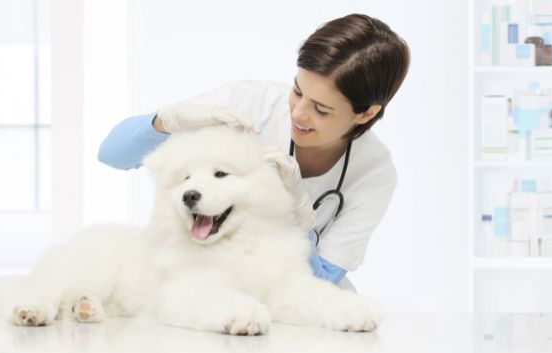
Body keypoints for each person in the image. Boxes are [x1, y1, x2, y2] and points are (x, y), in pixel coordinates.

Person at [96, 13, 410, 290]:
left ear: (366, 113)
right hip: (207, 282)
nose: (298, 114)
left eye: (321, 109)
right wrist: (166, 120)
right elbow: (112, 154)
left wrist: (300, 214)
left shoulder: (374, 172)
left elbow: (323, 278)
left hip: (291, 305)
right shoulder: (248, 105)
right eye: (297, 91)